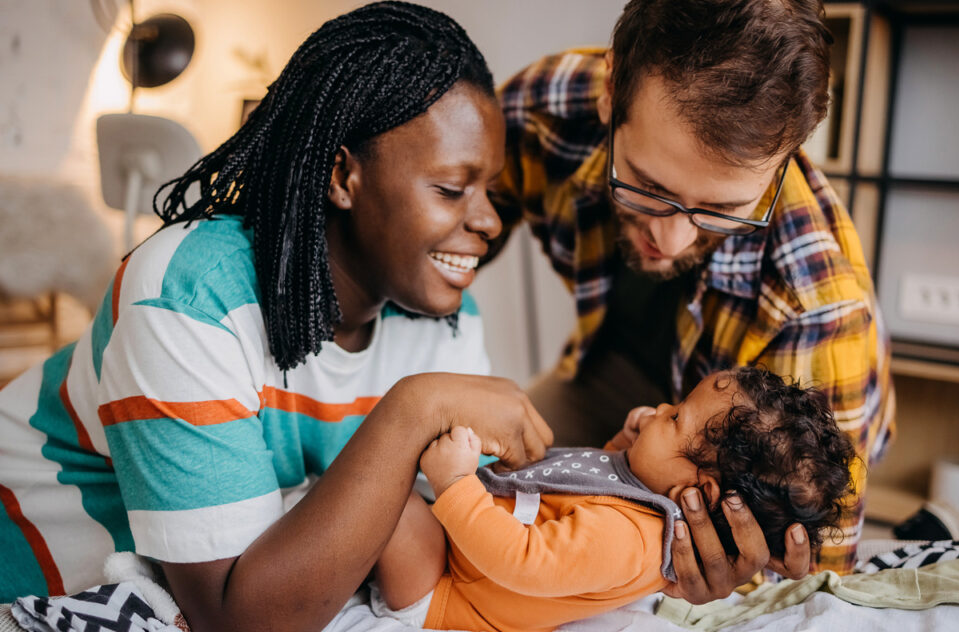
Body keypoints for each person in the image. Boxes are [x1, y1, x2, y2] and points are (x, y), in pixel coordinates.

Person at [0, 4, 558, 631]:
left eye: (490, 191)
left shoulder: (447, 323)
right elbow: (239, 621)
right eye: (452, 190)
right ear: (343, 176)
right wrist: (415, 409)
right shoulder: (189, 298)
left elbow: (460, 545)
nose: (488, 222)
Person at [487, 0, 895, 574]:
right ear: (611, 95)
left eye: (722, 209)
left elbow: (816, 582)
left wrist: (714, 585)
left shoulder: (819, 305)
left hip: (762, 433)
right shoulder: (543, 110)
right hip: (610, 362)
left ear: (780, 165)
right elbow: (440, 224)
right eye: (649, 186)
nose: (672, 238)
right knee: (507, 470)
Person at [370, 366, 856, 632]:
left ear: (699, 489)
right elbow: (582, 492)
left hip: (451, 593)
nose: (662, 408)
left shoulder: (631, 539)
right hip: (459, 556)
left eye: (675, 418)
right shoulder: (644, 494)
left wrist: (455, 485)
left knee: (390, 501)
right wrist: (621, 450)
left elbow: (528, 561)